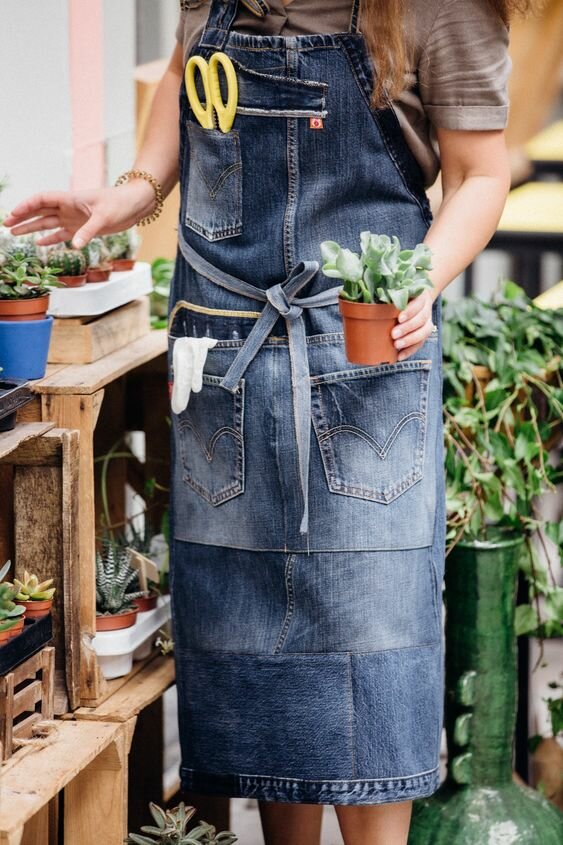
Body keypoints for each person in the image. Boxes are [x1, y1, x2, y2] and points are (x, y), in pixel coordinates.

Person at [4, 1, 531, 842]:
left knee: (371, 658)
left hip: (365, 361)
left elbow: (479, 175)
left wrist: (417, 280)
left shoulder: (440, 7)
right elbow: (182, 100)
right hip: (227, 364)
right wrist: (122, 198)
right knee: (261, 670)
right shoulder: (210, 4)